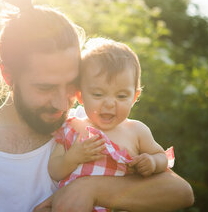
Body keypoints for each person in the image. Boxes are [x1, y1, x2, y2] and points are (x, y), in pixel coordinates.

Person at [0, 0, 194, 212]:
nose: (63, 103)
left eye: (71, 85)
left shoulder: (88, 126)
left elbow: (180, 192)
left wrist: (89, 189)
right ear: (8, 75)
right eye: (45, 87)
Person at [48, 38, 175, 212]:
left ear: (134, 97)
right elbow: (54, 170)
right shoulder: (72, 128)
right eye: (98, 94)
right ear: (80, 95)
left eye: (121, 96)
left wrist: (152, 162)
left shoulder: (136, 131)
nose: (109, 104)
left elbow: (162, 157)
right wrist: (73, 157)